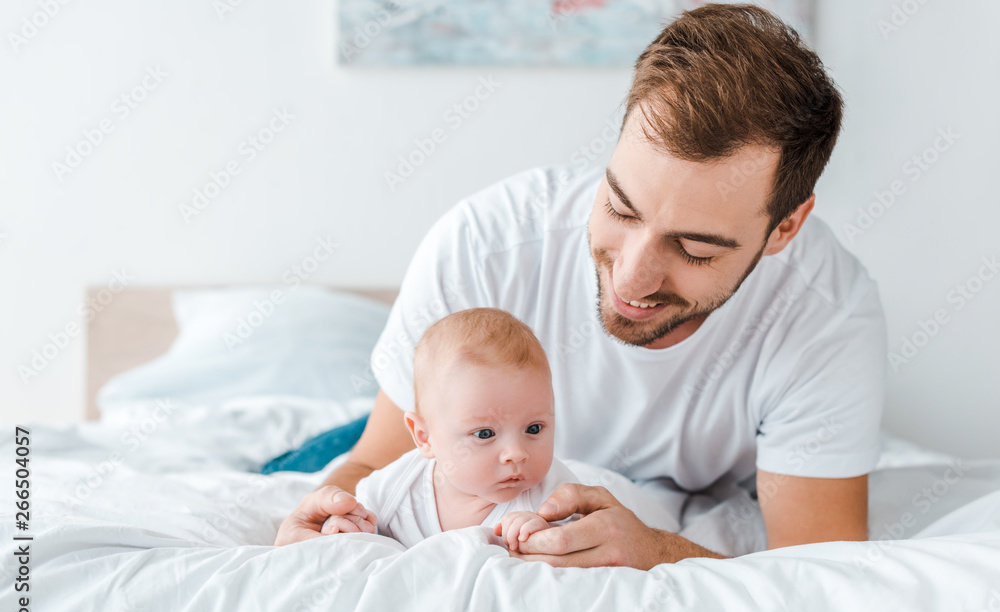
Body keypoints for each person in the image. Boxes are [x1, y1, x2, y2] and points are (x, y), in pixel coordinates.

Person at [274, 4, 887, 569]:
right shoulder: (485, 247)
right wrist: (326, 518)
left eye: (694, 248)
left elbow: (818, 575)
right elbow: (378, 464)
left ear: (784, 228)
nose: (631, 277)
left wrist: (654, 549)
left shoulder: (826, 316)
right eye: (621, 209)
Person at [320, 307, 580, 552]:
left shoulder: (554, 497)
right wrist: (348, 526)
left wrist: (548, 535)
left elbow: (584, 543)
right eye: (485, 434)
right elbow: (353, 522)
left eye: (534, 428)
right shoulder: (395, 488)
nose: (516, 453)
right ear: (424, 437)